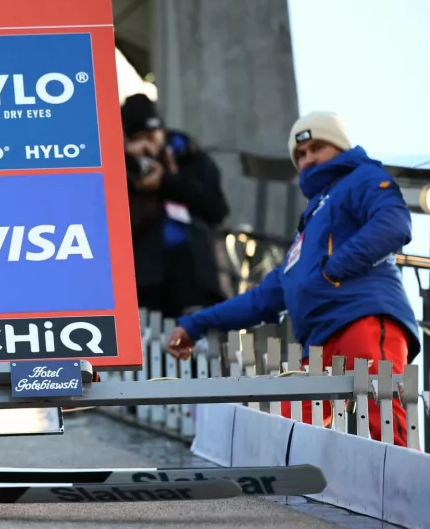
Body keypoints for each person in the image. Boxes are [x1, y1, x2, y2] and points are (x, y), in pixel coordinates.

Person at [167, 111, 422, 446]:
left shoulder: (363, 177)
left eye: (318, 147)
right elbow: (261, 299)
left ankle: (408, 496)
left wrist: (332, 269)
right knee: (284, 428)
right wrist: (195, 324)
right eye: (300, 154)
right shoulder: (310, 222)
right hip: (319, 344)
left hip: (364, 319)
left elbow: (393, 224)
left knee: (384, 425)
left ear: (340, 147)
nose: (308, 158)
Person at [120, 94, 231, 320]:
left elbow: (217, 210)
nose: (147, 147)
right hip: (143, 278)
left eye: (151, 136)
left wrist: (169, 182)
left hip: (195, 274)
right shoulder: (121, 168)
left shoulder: (190, 157)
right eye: (137, 139)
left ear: (163, 132)